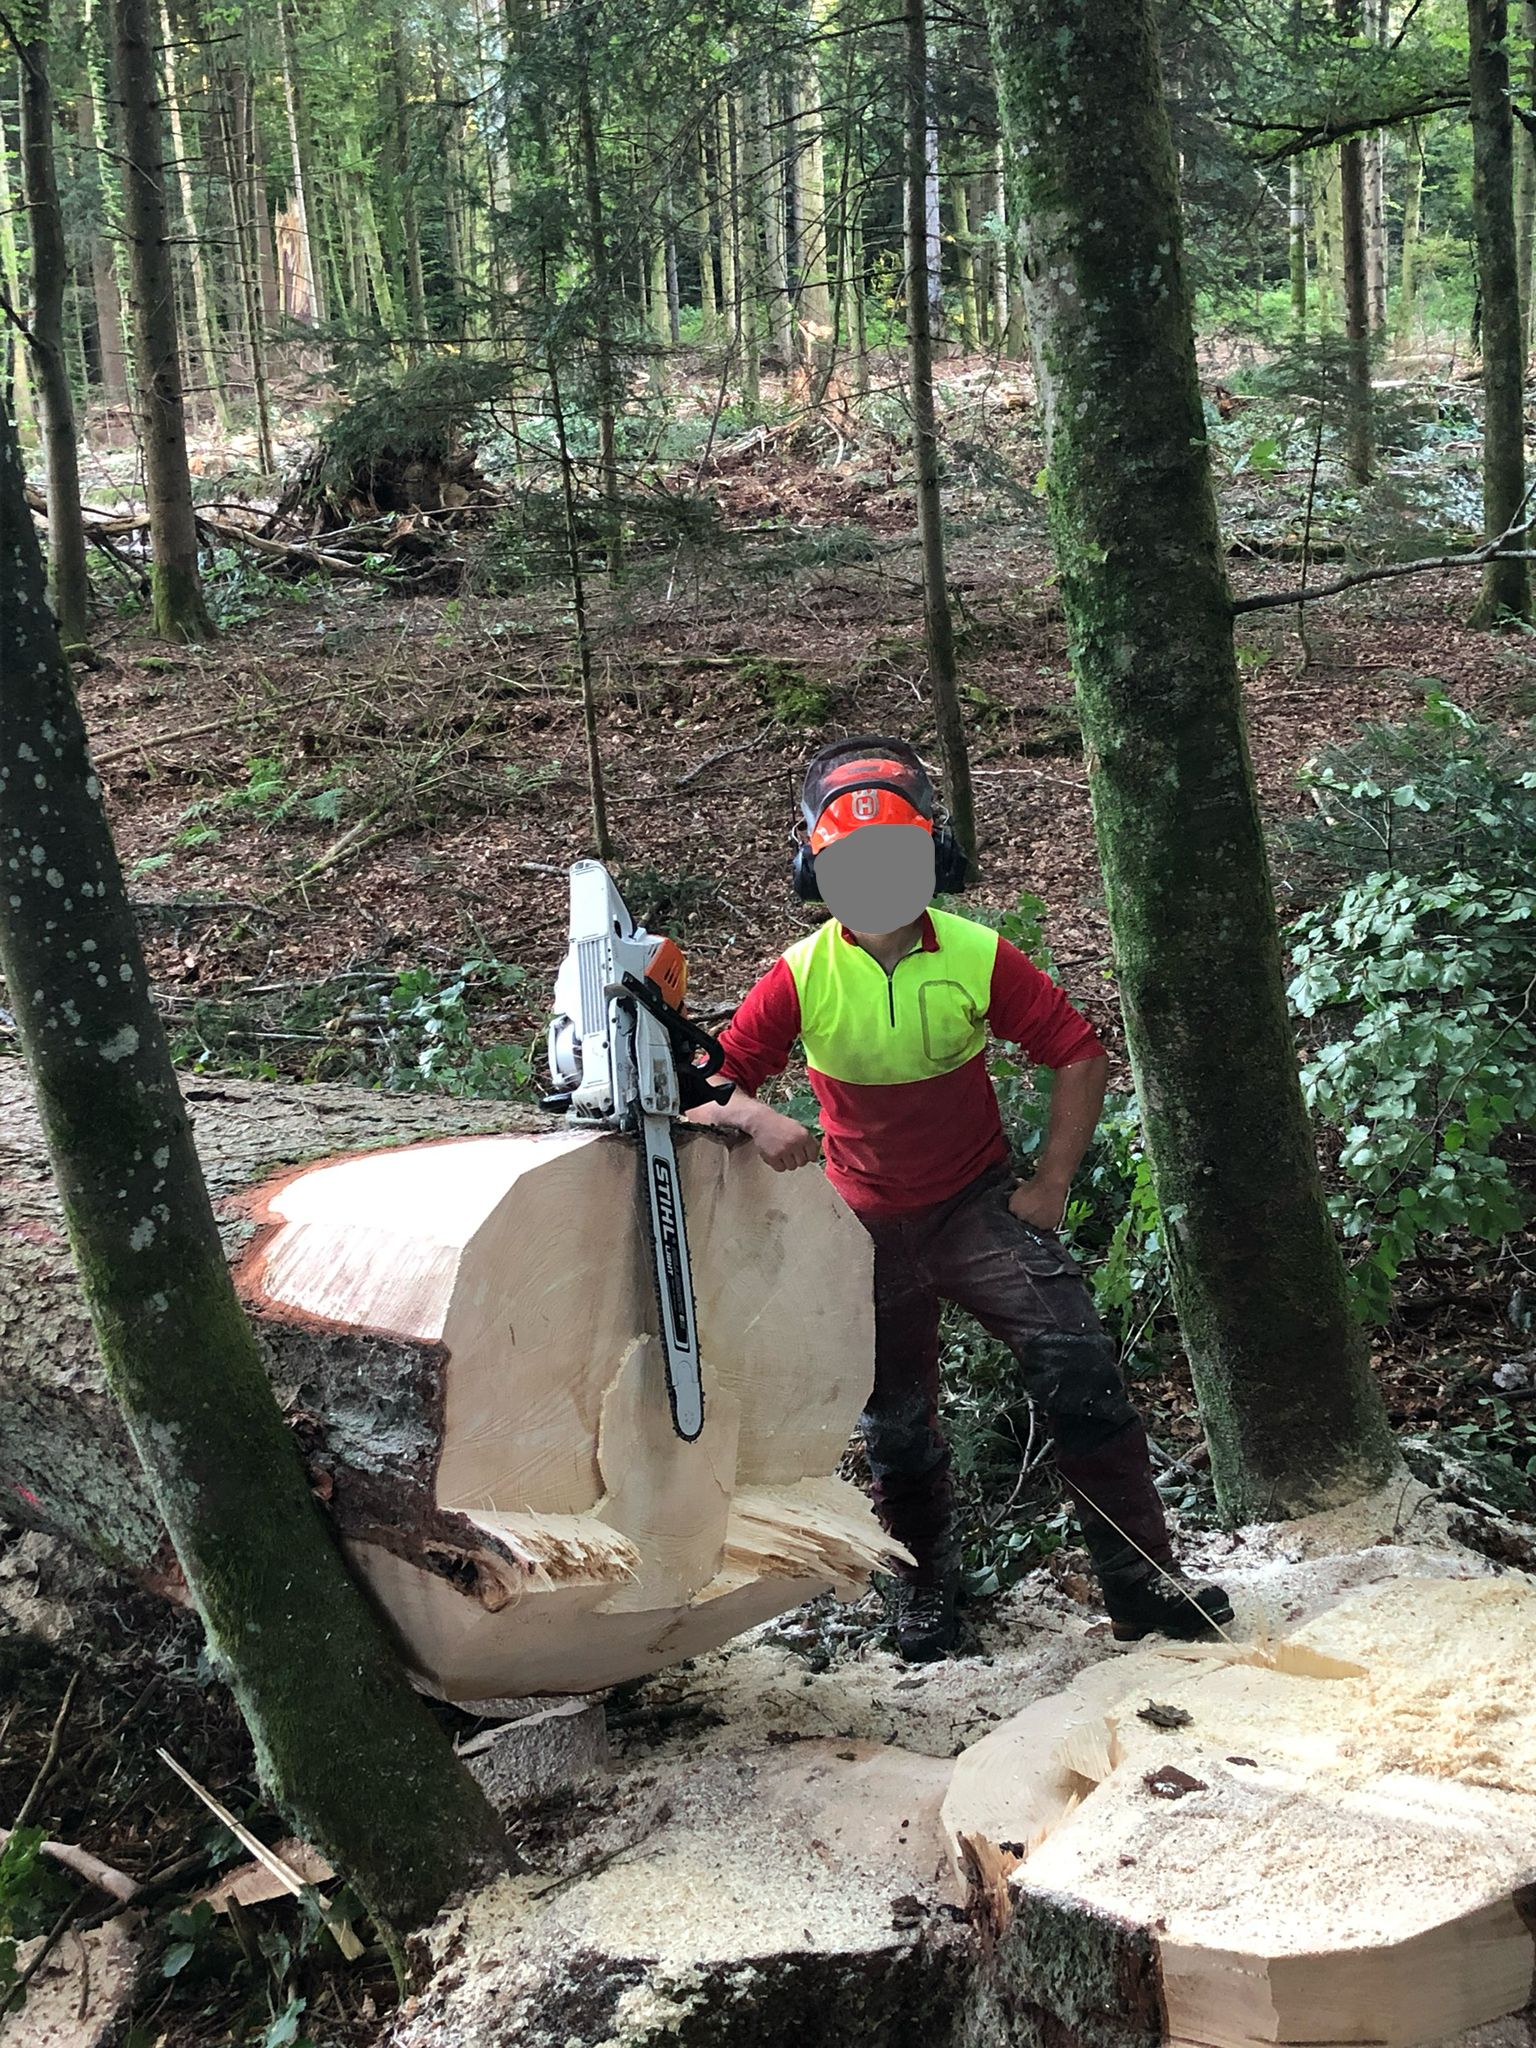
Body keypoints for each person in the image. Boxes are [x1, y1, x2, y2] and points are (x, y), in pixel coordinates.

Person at [689, 735, 1232, 1662]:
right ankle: (926, 1595)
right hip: (861, 1222)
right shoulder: (802, 974)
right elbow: (703, 1080)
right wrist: (752, 1117)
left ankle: (1141, 1581)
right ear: (817, 871)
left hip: (976, 1206)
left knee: (1078, 1365)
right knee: (895, 1422)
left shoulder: (979, 955)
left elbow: (1077, 1051)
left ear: (932, 861)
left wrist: (1051, 1181)